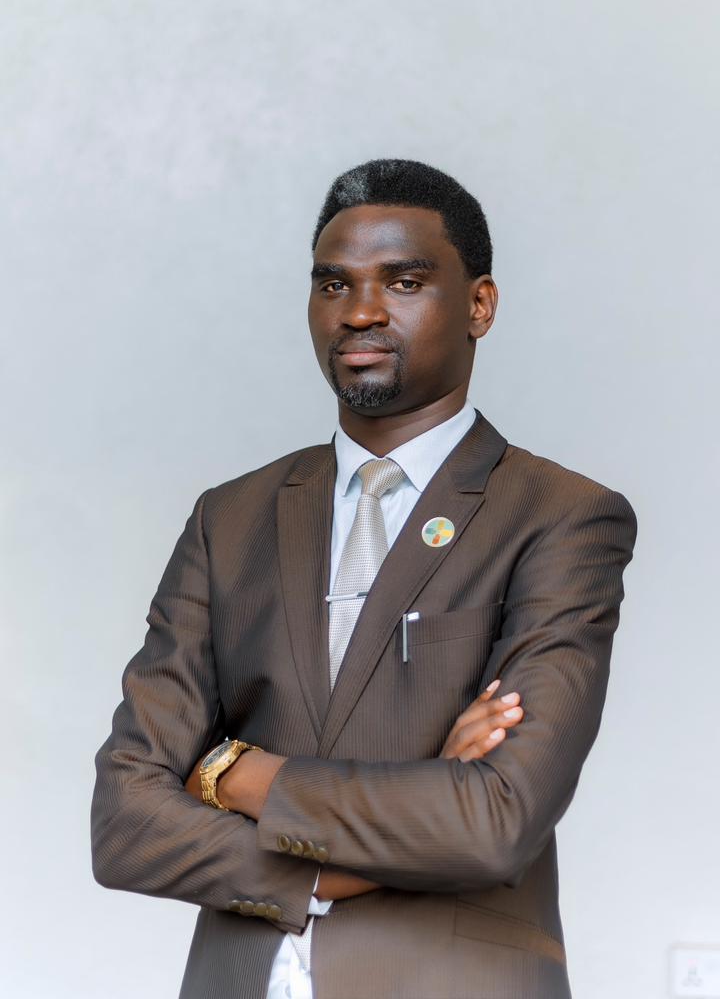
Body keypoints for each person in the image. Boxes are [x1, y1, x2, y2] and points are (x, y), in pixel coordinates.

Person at [91, 158, 638, 999]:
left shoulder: (561, 516)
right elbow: (126, 825)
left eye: (404, 282)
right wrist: (345, 862)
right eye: (333, 285)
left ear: (480, 305)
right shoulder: (228, 519)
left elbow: (494, 821)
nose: (361, 312)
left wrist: (232, 772)